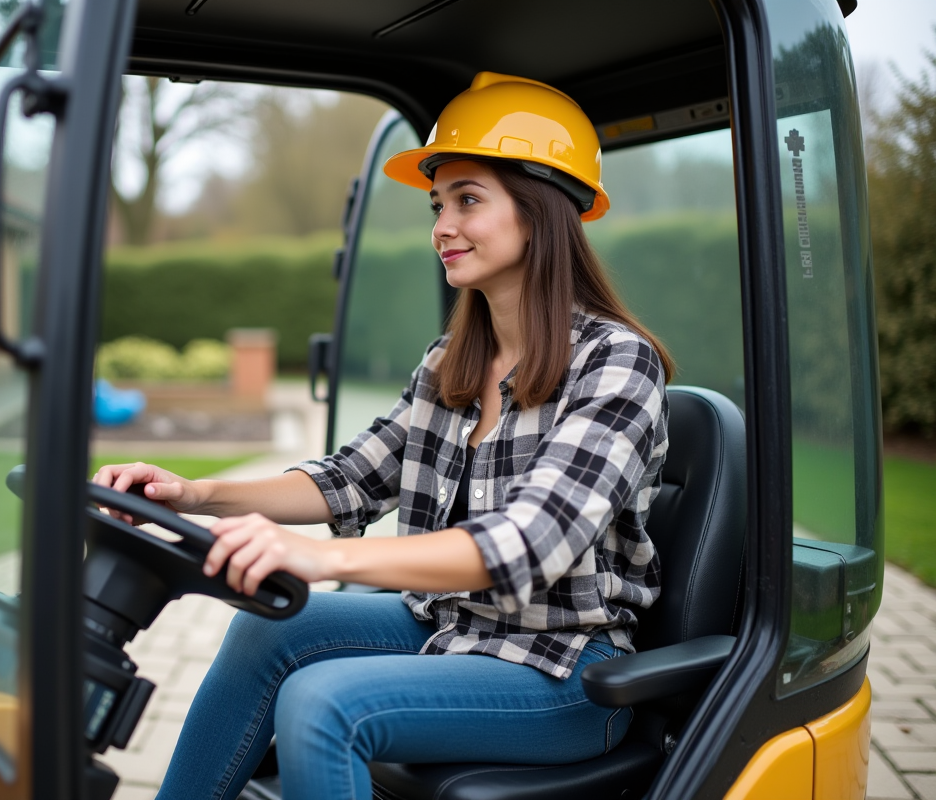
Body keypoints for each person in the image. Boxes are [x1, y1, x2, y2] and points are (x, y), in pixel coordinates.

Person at [93, 71, 674, 800]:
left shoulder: (618, 363)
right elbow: (348, 481)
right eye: (438, 204)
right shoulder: (450, 362)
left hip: (563, 672)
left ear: (540, 210)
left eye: (468, 200)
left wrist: (317, 556)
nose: (442, 226)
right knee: (260, 631)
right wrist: (194, 493)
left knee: (321, 702)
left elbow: (528, 542)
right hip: (454, 627)